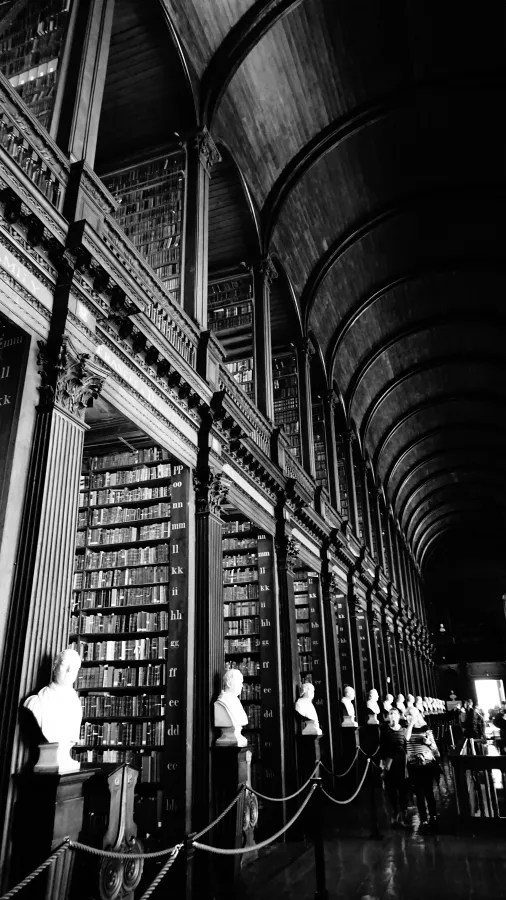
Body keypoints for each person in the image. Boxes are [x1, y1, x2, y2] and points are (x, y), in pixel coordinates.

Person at [24, 648, 82, 744]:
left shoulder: (76, 705)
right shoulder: (35, 702)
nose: (69, 670)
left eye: (74, 667)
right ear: (55, 667)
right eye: (65, 665)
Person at [406, 706, 440, 833]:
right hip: (414, 764)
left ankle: (433, 816)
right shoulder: (406, 728)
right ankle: (424, 819)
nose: (411, 716)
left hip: (427, 763)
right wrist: (411, 724)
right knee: (419, 793)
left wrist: (428, 743)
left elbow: (435, 748)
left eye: (414, 714)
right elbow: (406, 739)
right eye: (409, 714)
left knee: (429, 791)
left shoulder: (426, 728)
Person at [379, 706, 413, 827]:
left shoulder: (403, 730)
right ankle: (395, 812)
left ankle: (403, 812)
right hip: (390, 762)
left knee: (403, 788)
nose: (392, 715)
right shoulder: (384, 730)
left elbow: (406, 743)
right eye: (390, 713)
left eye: (394, 713)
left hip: (402, 762)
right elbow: (382, 747)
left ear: (398, 716)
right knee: (391, 789)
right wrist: (382, 764)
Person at [214, 667, 248, 746]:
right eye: (239, 682)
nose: (242, 685)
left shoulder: (236, 701)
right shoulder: (222, 702)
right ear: (229, 683)